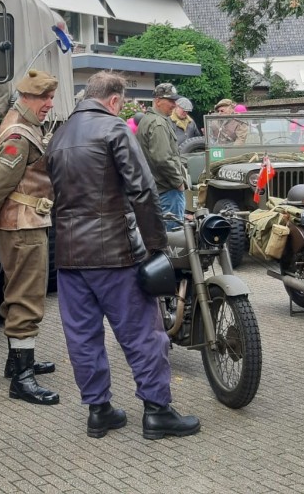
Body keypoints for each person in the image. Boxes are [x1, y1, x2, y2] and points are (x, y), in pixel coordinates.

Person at [44, 70, 201, 440]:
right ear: (114, 101)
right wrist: (156, 245)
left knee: (82, 337)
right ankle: (157, 412)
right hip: (114, 253)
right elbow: (144, 190)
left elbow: (56, 198)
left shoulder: (59, 136)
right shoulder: (115, 130)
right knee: (142, 333)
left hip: (69, 258)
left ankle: (99, 412)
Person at [0, 69, 60, 406]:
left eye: (50, 97)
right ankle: (22, 379)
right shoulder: (19, 134)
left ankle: (17, 362)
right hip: (22, 226)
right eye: (44, 98)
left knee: (19, 292)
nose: (49, 104)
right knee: (26, 297)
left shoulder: (23, 125)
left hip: (26, 222)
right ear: (26, 97)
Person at [136, 83, 189, 230]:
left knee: (160, 236)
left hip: (157, 188)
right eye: (170, 101)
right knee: (174, 239)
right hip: (167, 190)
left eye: (175, 101)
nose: (174, 105)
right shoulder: (158, 123)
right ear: (158, 100)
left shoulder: (149, 120)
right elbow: (162, 159)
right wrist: (178, 182)